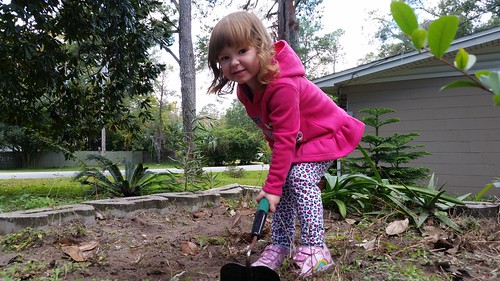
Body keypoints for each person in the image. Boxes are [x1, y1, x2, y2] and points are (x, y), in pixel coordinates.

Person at [207, 11, 365, 277]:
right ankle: (280, 245)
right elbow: (274, 134)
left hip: (325, 134)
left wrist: (272, 185)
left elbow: (284, 137)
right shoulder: (245, 90)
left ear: (260, 47)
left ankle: (317, 250)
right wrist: (275, 186)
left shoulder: (282, 86)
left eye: (242, 51)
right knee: (283, 188)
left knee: (300, 178)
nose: (233, 62)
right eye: (225, 57)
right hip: (298, 141)